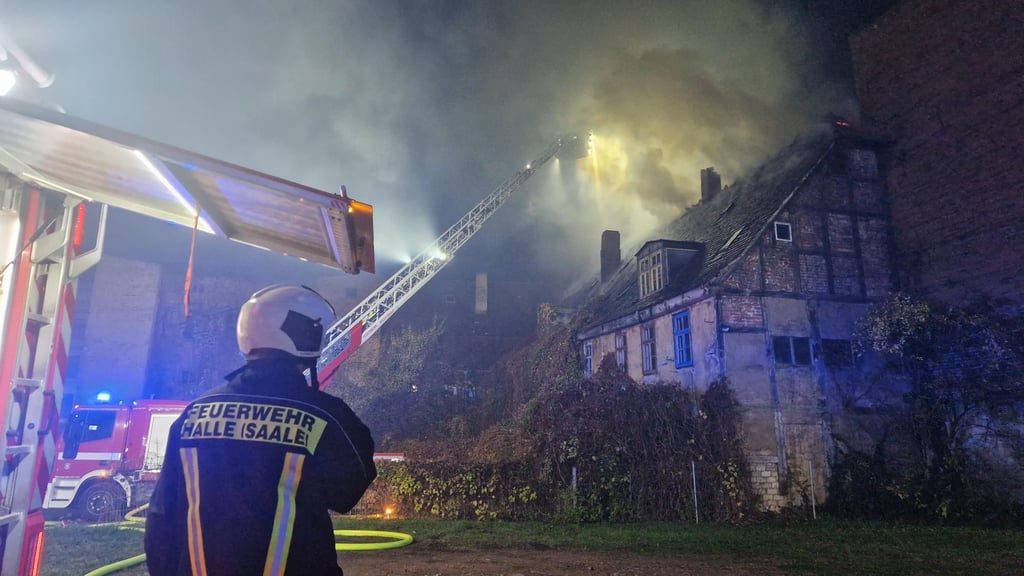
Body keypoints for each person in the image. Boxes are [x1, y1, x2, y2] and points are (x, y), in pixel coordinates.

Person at [145, 284, 377, 576]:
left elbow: (161, 519)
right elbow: (349, 491)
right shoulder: (323, 415)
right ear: (305, 334)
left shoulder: (194, 413)